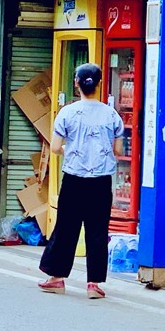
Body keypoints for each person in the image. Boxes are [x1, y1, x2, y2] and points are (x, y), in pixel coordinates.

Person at [38, 63, 124, 298]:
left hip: (74, 179)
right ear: (99, 84)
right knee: (97, 230)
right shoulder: (112, 115)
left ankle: (56, 278)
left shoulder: (67, 113)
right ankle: (94, 284)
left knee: (66, 227)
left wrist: (73, 150)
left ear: (76, 83)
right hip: (101, 182)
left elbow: (55, 147)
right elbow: (118, 149)